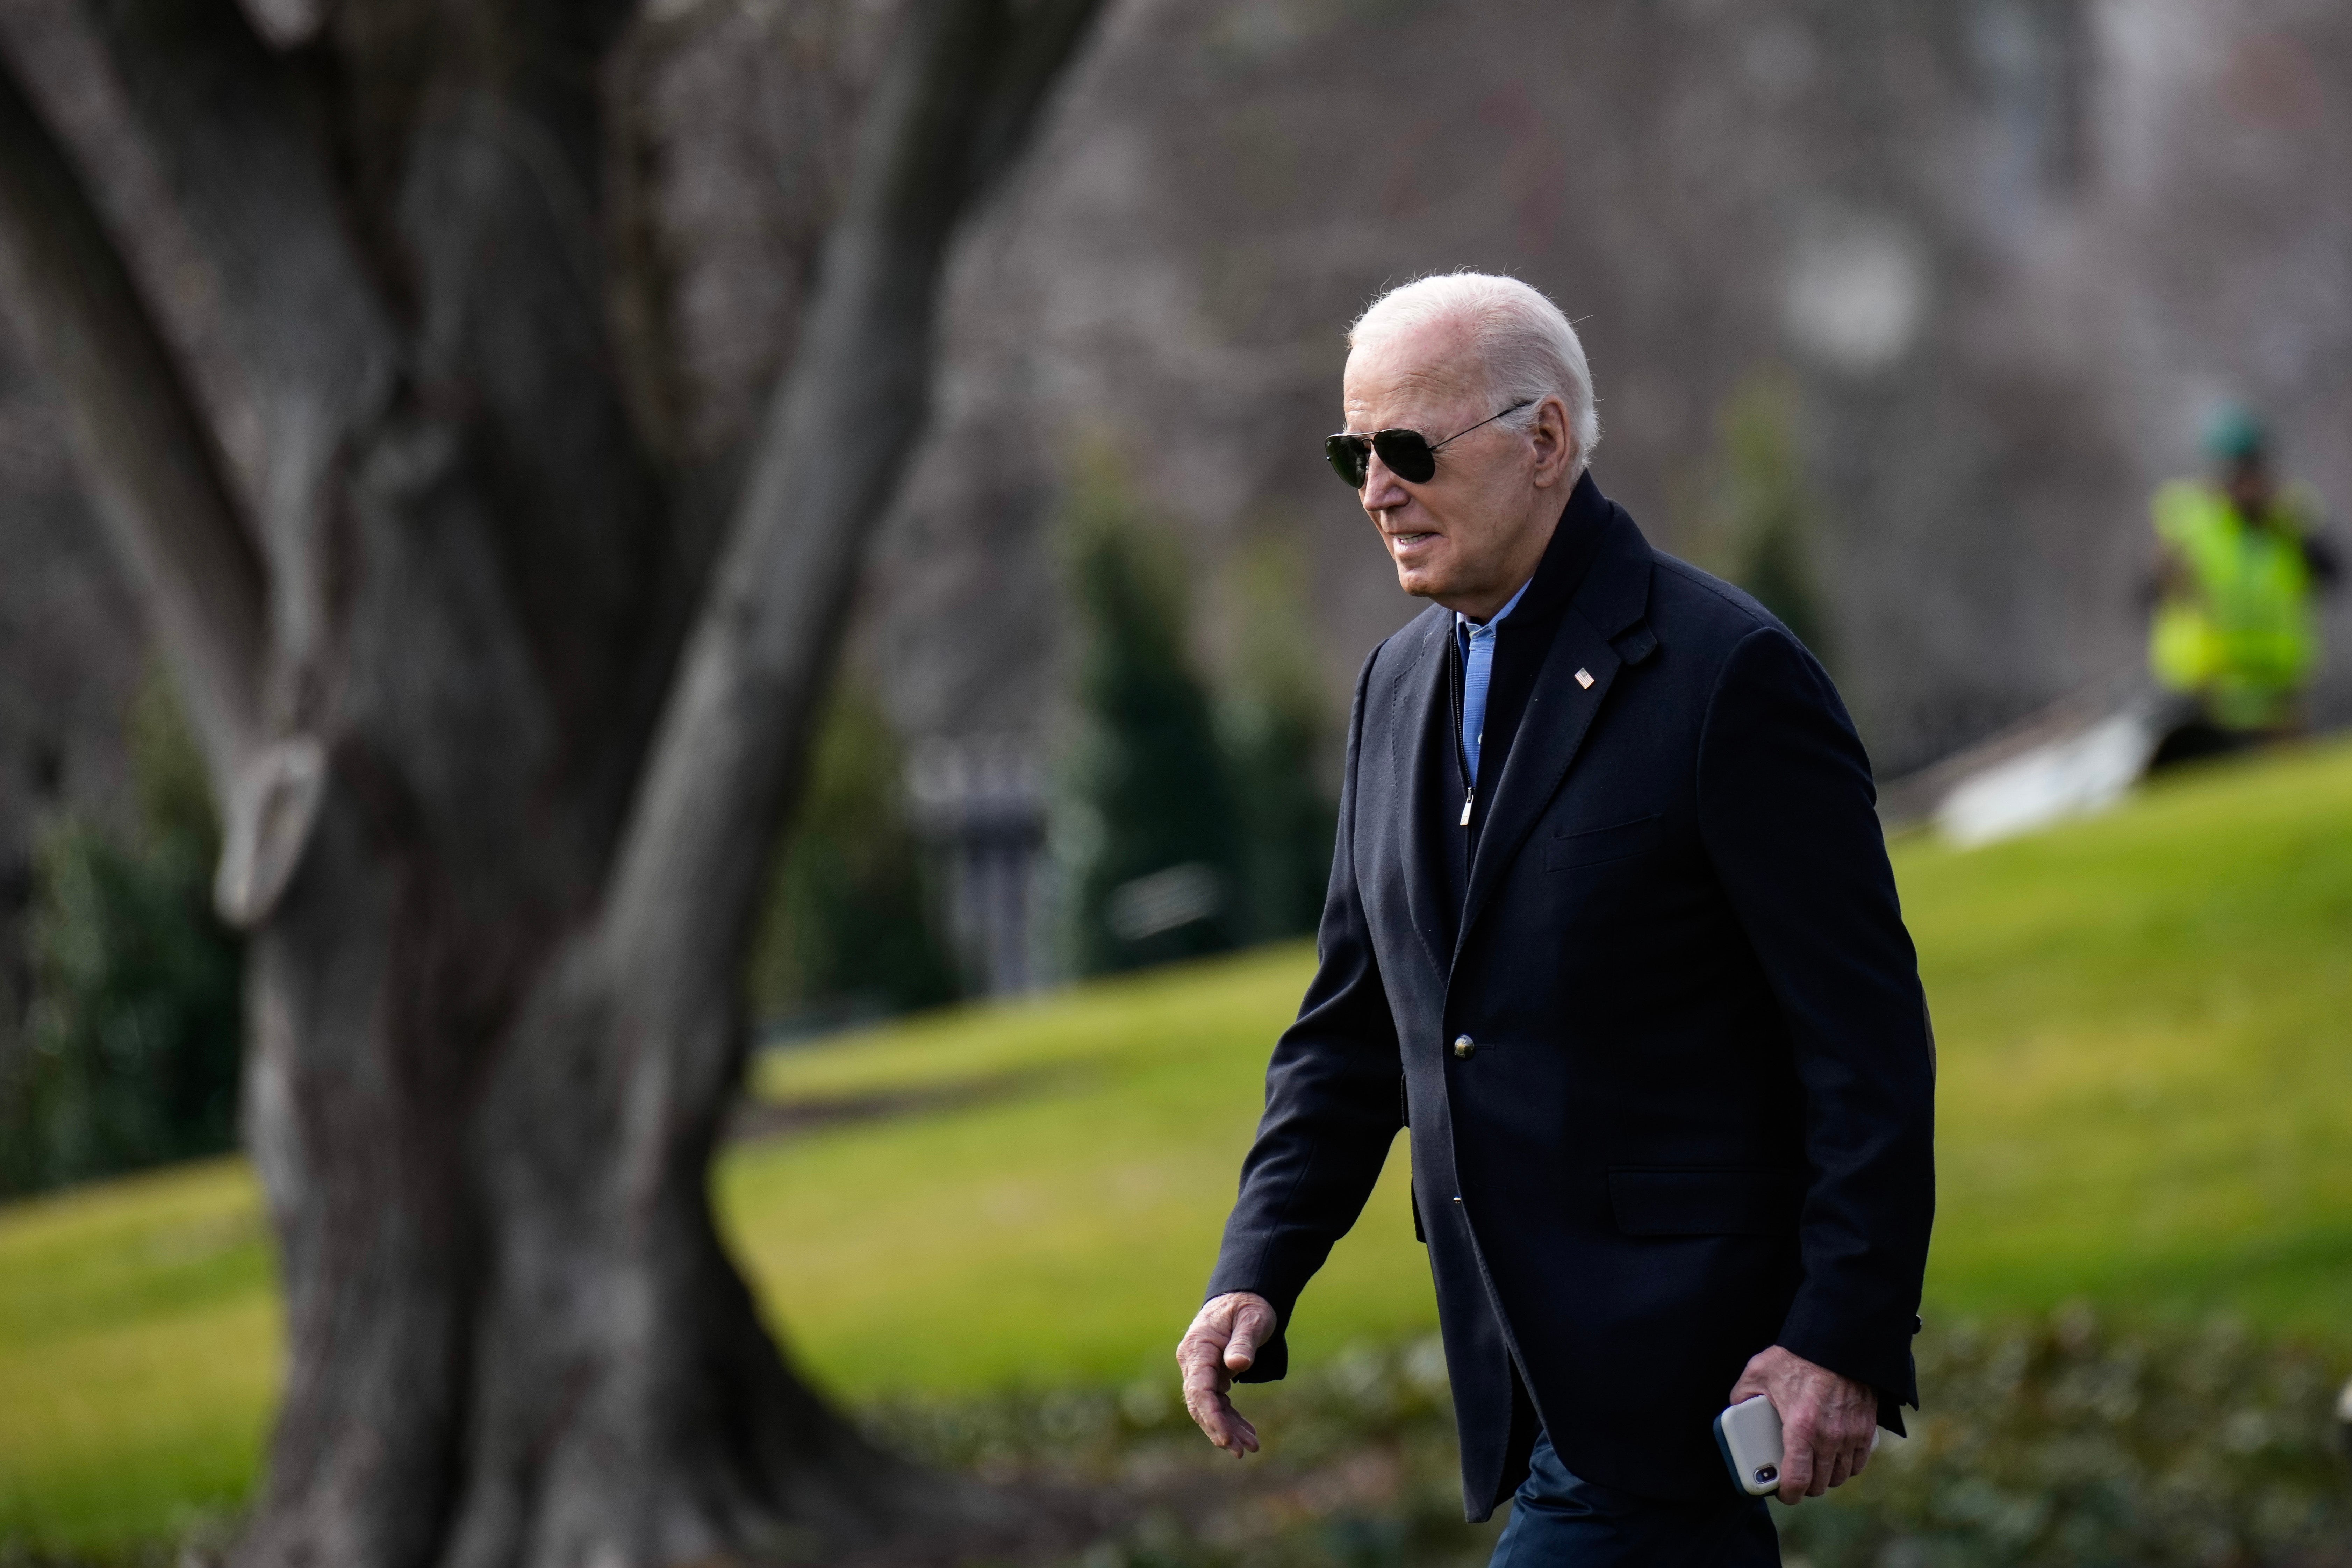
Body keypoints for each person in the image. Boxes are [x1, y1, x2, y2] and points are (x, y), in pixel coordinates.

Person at [1173, 273, 1935, 1565]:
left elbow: (1863, 1042)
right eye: (1350, 453)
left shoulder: (1725, 675)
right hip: (1517, 1374)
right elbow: (1355, 1028)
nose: (1374, 489)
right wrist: (1256, 1264)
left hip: (1680, 1372)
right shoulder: (1393, 683)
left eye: (1407, 449)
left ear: (1543, 444)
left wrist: (1837, 1334)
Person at [2146, 406, 2338, 769]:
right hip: (2208, 693)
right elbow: (2147, 592)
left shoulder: (2289, 520)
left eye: (2252, 471)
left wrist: (2300, 529)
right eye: (2236, 473)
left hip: (2277, 690)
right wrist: (2166, 575)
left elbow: (2332, 572)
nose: (2245, 484)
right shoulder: (2190, 525)